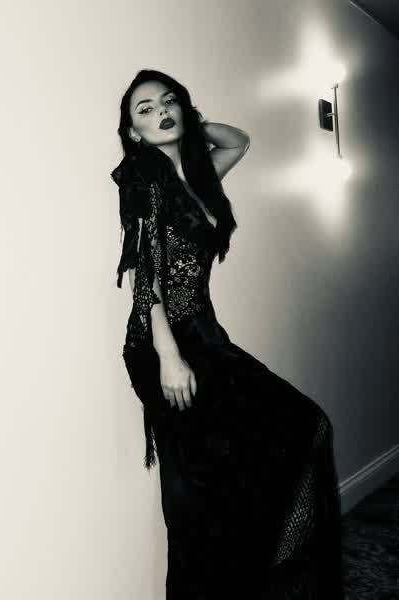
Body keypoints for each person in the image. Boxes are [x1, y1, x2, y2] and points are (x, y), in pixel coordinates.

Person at [111, 69, 345, 599]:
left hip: (207, 338)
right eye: (145, 110)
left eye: (168, 101)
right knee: (197, 492)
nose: (160, 111)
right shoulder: (142, 178)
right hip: (161, 344)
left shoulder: (199, 178)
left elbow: (238, 140)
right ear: (131, 132)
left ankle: (251, 584)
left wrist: (190, 125)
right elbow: (146, 277)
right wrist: (169, 357)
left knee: (303, 428)